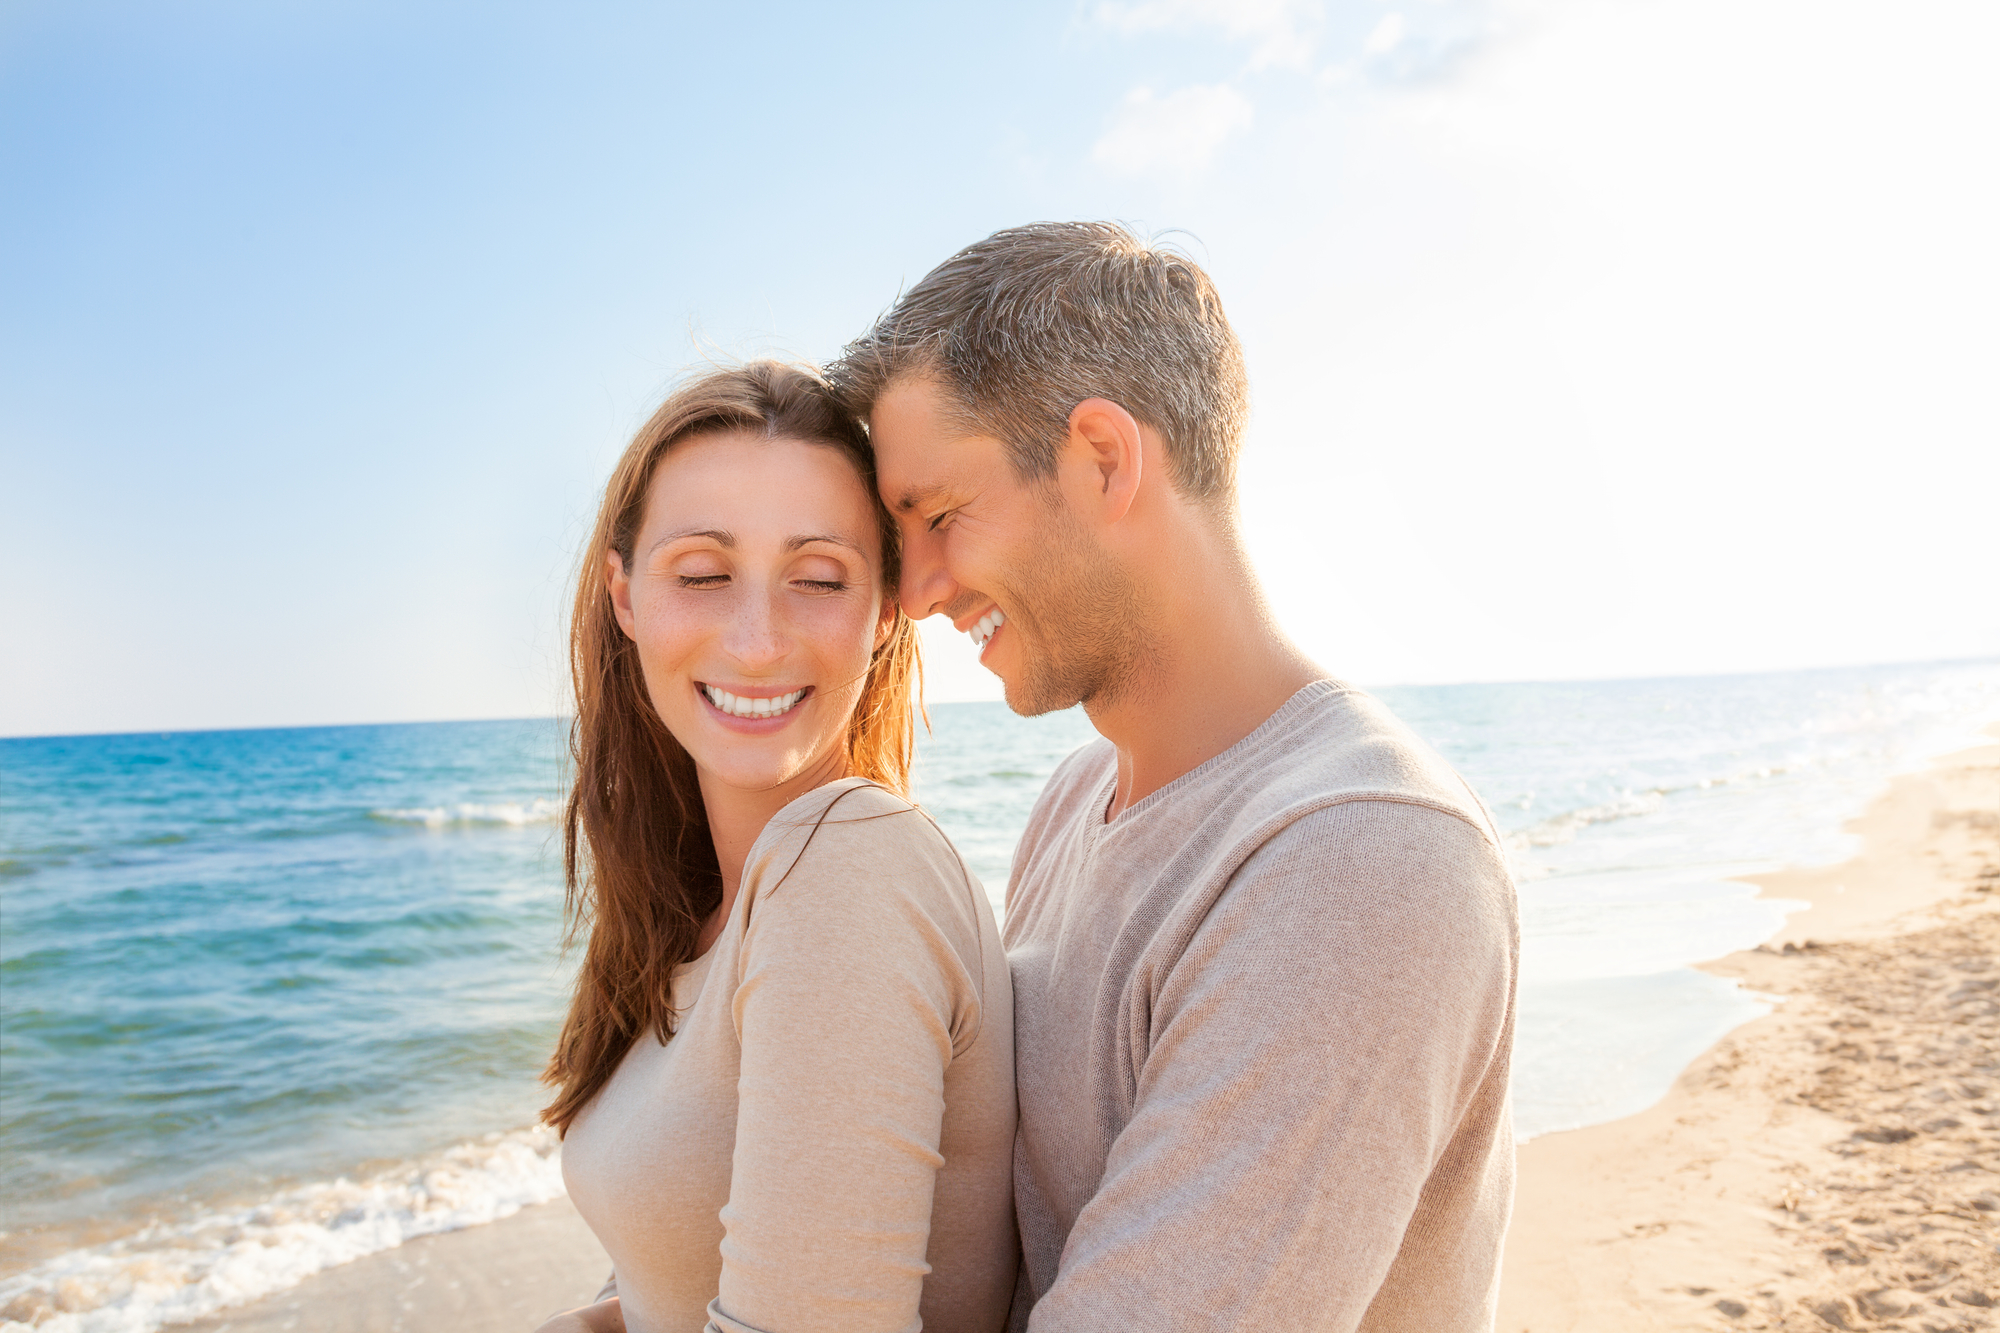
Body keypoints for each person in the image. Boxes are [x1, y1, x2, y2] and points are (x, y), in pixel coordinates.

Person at [829, 222, 1520, 1332]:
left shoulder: (1359, 855)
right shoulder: (1074, 801)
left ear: (1102, 457)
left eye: (941, 516)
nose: (912, 595)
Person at [536, 363, 1017, 1333]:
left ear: (884, 612)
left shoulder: (847, 863)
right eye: (704, 575)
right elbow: (677, 1263)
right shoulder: (699, 908)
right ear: (625, 594)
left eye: (817, 578)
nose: (756, 640)